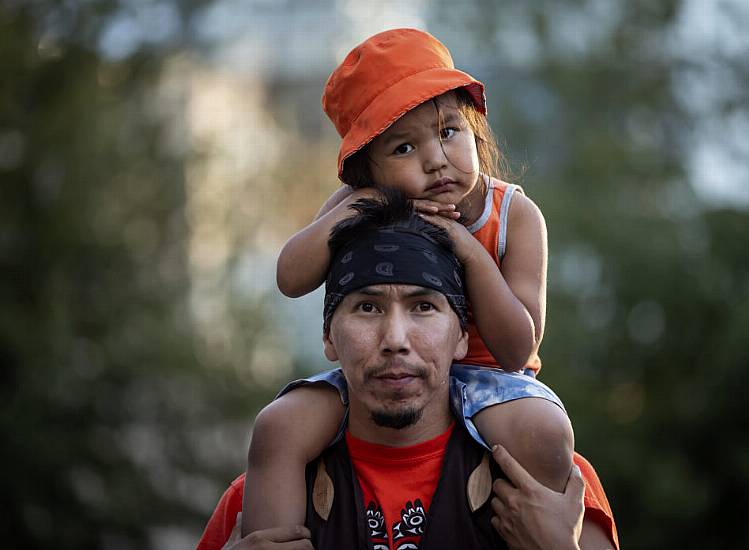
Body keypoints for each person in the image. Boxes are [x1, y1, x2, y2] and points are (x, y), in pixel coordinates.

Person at [244, 27, 579, 538]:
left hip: (495, 384)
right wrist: (359, 207)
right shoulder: (362, 200)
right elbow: (291, 277)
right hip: (385, 376)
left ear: (474, 128)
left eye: (449, 131)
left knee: (547, 430)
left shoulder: (514, 214)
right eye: (403, 146)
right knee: (278, 425)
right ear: (367, 170)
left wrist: (466, 249)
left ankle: (534, 532)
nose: (434, 158)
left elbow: (517, 348)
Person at [197, 192, 619, 549]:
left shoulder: (550, 487)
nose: (395, 338)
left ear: (461, 336)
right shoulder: (260, 496)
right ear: (328, 335)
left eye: (423, 307)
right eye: (367, 307)